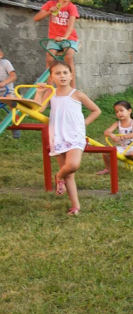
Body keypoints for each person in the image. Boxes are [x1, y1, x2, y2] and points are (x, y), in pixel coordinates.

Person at [34, 62, 100, 215]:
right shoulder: (50, 93)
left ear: (71, 76)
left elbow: (96, 110)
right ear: (51, 78)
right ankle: (75, 206)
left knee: (73, 165)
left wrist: (83, 124)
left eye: (65, 73)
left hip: (75, 135)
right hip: (57, 135)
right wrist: (39, 92)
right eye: (57, 73)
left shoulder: (77, 94)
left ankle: (58, 176)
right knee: (69, 174)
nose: (62, 76)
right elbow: (38, 109)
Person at [33, 0, 80, 88]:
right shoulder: (51, 4)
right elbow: (36, 18)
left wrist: (65, 38)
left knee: (69, 56)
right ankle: (50, 86)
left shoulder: (71, 7)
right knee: (49, 58)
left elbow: (71, 25)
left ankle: (73, 87)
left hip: (69, 38)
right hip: (54, 38)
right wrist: (49, 11)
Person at [97, 101, 133, 176]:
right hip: (124, 148)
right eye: (117, 112)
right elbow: (106, 132)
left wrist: (122, 137)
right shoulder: (118, 123)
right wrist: (112, 135)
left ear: (129, 111)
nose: (119, 113)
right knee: (105, 152)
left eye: (121, 110)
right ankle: (108, 169)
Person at [0, 45, 21, 139]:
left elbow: (13, 76)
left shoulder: (5, 63)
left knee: (12, 103)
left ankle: (15, 127)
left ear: (1, 54)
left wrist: (4, 82)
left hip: (7, 92)